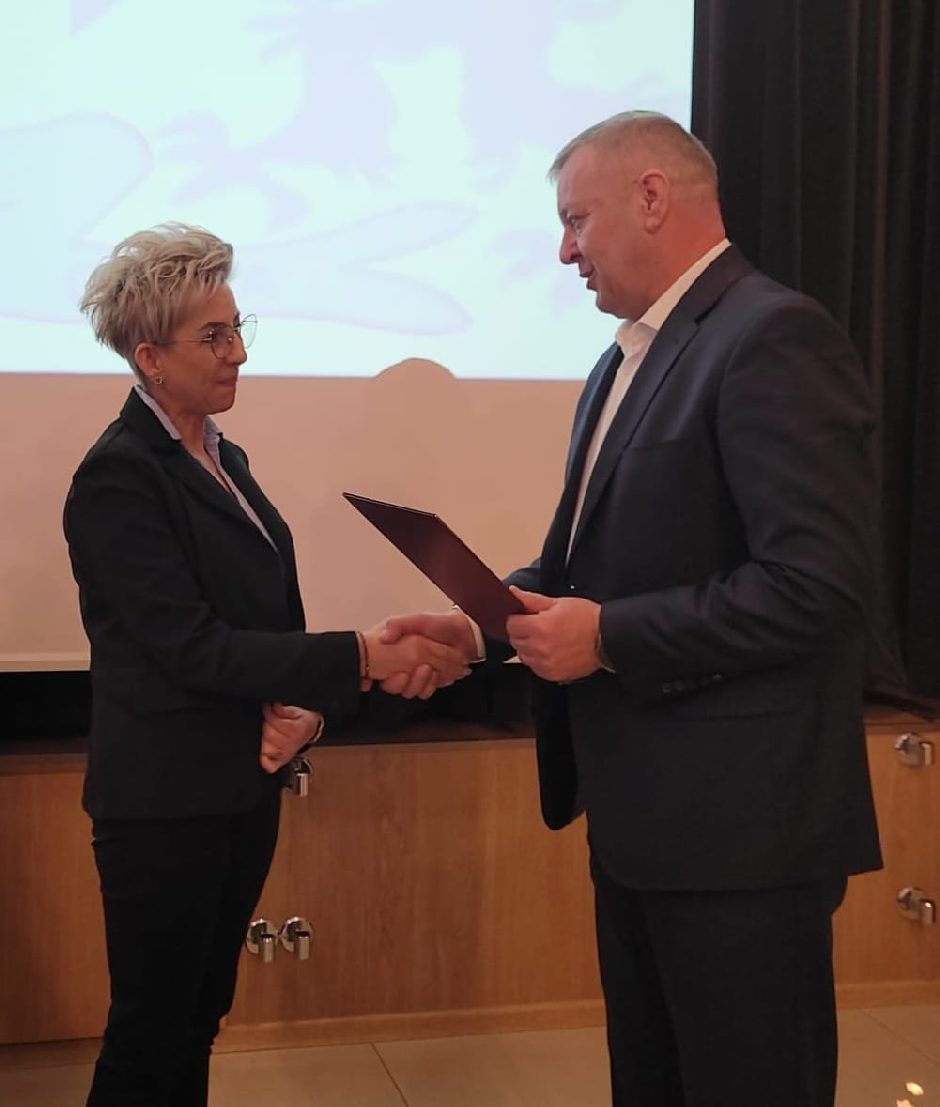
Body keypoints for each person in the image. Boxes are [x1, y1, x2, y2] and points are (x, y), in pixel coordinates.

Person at [381, 112, 882, 1106]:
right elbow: (585, 568)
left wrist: (608, 637)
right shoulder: (622, 361)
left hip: (743, 839)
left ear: (653, 197)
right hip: (642, 824)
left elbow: (817, 586)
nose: (564, 251)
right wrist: (478, 628)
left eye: (576, 220)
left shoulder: (772, 336)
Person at [64, 222, 468, 1107]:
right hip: (163, 803)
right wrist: (363, 655)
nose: (239, 352)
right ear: (149, 358)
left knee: (198, 1018)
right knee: (148, 1037)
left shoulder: (222, 457)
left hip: (240, 786)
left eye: (238, 327)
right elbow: (190, 647)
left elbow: (260, 625)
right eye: (213, 335)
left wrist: (308, 709)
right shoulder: (119, 477)